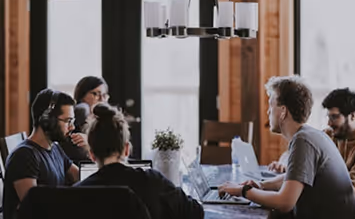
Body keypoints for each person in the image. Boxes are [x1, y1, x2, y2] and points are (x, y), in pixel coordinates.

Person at [218, 75, 355, 219]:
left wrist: (243, 191)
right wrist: (261, 186)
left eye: (271, 105)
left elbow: (284, 202)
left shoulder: (303, 141)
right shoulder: (311, 135)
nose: (268, 111)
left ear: (283, 112)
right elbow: (295, 178)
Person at [75, 103, 204, 219]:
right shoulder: (153, 181)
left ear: (91, 155)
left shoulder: (77, 193)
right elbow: (196, 212)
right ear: (126, 149)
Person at [3, 89, 82, 219]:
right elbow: (34, 208)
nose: (72, 127)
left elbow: (81, 177)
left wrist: (91, 148)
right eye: (68, 121)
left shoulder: (55, 149)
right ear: (47, 120)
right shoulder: (24, 156)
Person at [60, 76, 109, 165]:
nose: (102, 99)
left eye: (104, 95)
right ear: (82, 96)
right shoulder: (77, 116)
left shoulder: (105, 122)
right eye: (96, 94)